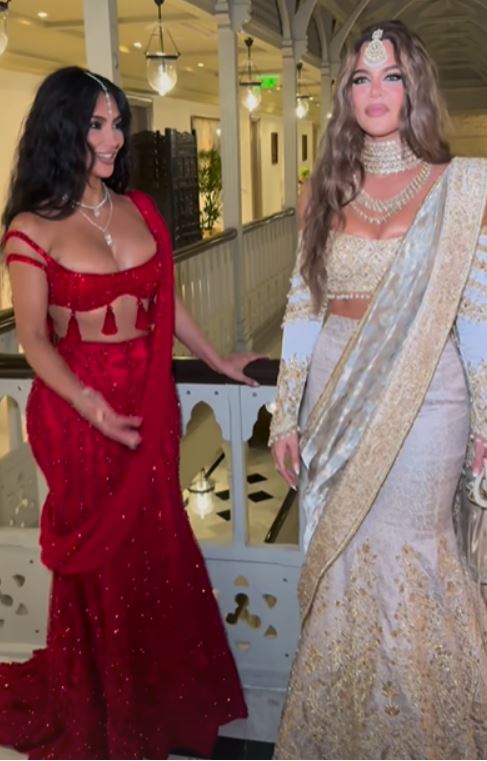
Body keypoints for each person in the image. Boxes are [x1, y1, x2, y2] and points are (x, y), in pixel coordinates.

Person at [0, 66, 258, 759]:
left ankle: (155, 702)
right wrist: (86, 402)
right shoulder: (31, 228)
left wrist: (219, 358)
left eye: (118, 123)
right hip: (77, 419)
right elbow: (33, 339)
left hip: (148, 408)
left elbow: (168, 305)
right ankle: (106, 708)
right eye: (96, 125)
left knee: (156, 553)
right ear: (63, 129)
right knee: (106, 566)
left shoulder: (140, 207)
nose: (113, 138)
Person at [270, 20, 487, 760]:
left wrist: (485, 421)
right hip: (336, 395)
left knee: (415, 552)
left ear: (414, 87)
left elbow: (477, 312)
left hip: (429, 398)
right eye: (361, 78)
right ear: (345, 93)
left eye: (390, 76)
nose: (375, 91)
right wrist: (284, 414)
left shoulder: (460, 188)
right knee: (345, 556)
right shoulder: (323, 190)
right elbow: (303, 306)